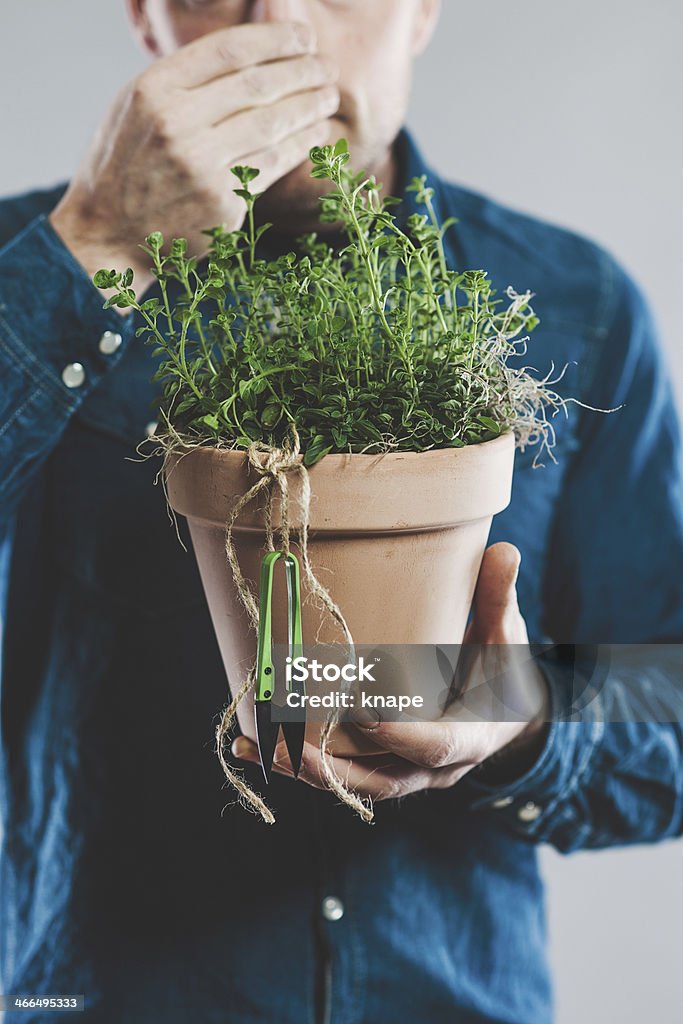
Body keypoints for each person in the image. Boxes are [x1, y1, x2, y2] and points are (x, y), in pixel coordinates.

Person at [1, 1, 681, 1021]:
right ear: (145, 15)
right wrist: (97, 244)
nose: (276, 17)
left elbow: (662, 691)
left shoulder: (573, 298)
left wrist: (522, 719)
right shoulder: (27, 267)